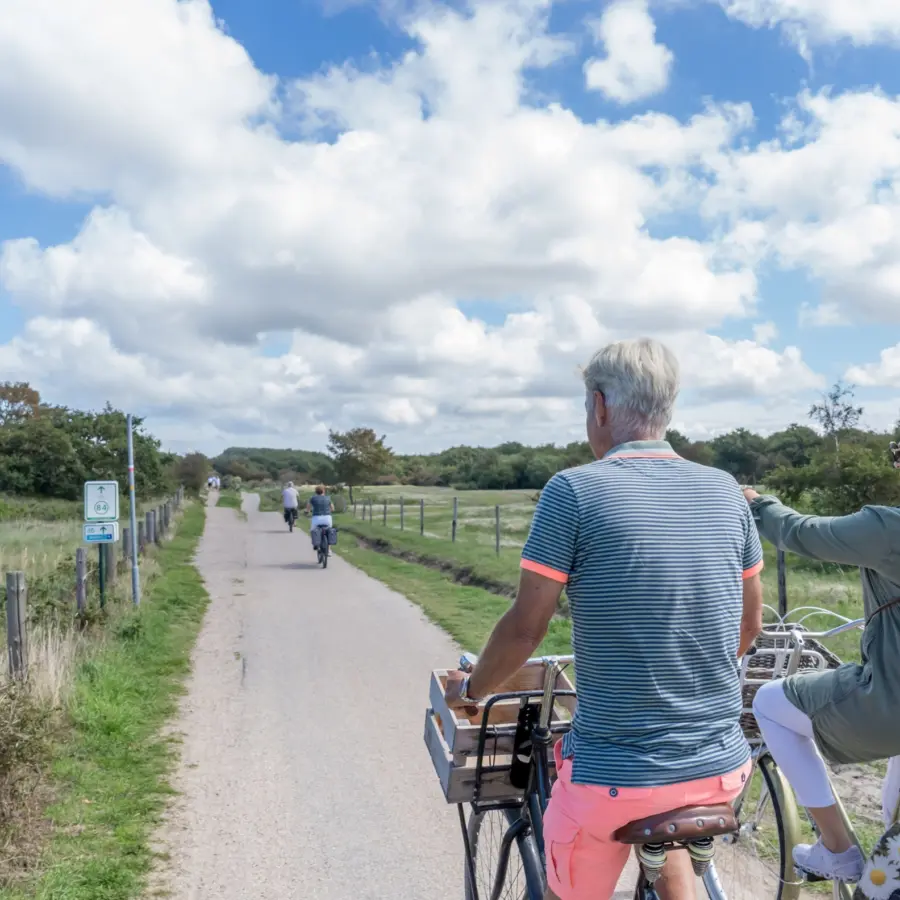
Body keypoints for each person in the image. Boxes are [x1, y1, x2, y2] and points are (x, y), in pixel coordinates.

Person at [444, 338, 764, 900]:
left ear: (599, 406)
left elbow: (526, 628)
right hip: (722, 769)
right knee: (670, 848)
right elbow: (748, 626)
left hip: (614, 779)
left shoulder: (572, 491)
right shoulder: (725, 491)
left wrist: (473, 688)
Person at [746, 479, 900, 883]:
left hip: (892, 708)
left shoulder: (888, 530)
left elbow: (801, 532)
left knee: (770, 703)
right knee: (891, 819)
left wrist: (759, 504)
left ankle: (836, 850)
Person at [306, 486, 335, 556]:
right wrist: (329, 511)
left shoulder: (313, 498)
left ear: (316, 492)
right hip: (327, 519)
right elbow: (332, 508)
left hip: (316, 519)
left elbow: (308, 507)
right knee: (329, 532)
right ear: (323, 491)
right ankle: (329, 550)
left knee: (313, 530)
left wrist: (307, 511)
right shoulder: (328, 498)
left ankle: (316, 543)